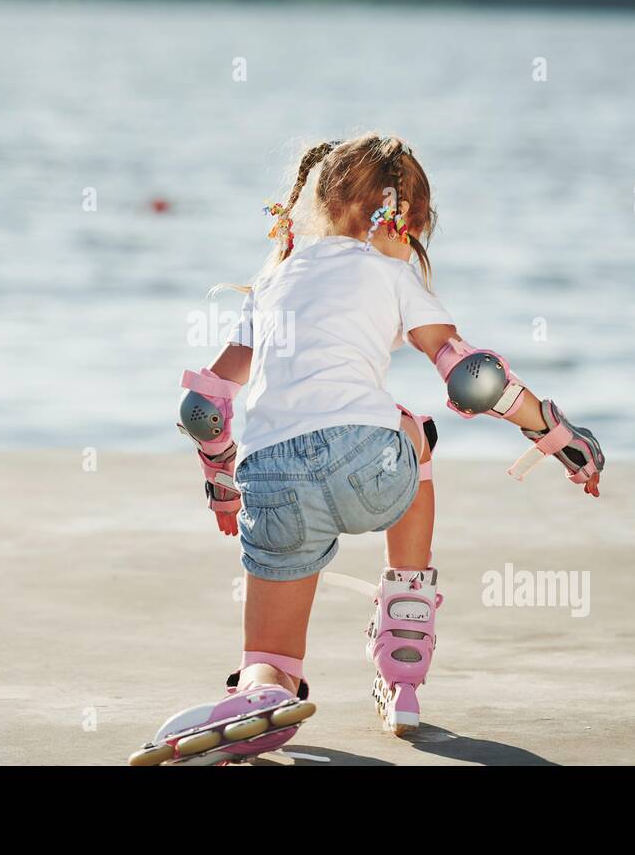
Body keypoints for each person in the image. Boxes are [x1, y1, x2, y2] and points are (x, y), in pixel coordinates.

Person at [129, 135, 604, 766]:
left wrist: (223, 482)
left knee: (270, 654)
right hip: (370, 468)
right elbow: (471, 378)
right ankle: (404, 645)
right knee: (414, 429)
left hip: (271, 481)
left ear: (312, 204)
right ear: (404, 222)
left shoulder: (272, 283)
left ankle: (261, 693)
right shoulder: (393, 273)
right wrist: (553, 433)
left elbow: (205, 406)